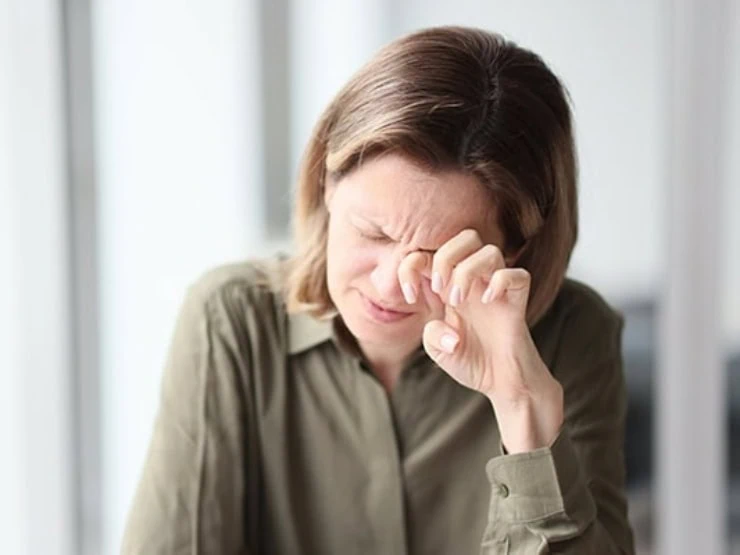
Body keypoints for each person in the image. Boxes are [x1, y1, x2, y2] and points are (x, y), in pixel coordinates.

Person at [121, 26, 635, 554]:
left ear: (513, 252)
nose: (392, 283)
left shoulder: (573, 335)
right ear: (327, 185)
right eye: (373, 233)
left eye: (438, 255)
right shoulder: (231, 322)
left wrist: (523, 411)